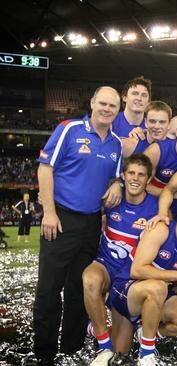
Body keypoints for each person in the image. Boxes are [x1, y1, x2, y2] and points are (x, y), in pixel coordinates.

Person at [34, 86, 124, 365]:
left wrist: (118, 183)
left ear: (118, 110)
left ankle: (71, 347)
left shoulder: (116, 144)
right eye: (103, 103)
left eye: (113, 106)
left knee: (78, 287)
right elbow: (45, 168)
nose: (107, 109)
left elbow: (115, 178)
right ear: (93, 103)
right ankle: (44, 352)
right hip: (61, 217)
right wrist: (49, 211)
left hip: (91, 222)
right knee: (49, 288)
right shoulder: (69, 129)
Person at [107, 197, 177, 365]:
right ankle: (146, 356)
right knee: (117, 355)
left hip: (158, 296)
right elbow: (137, 270)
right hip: (127, 289)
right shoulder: (162, 229)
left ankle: (146, 333)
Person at [82, 154, 159, 365]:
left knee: (122, 352)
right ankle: (103, 346)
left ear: (148, 180)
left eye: (141, 175)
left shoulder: (157, 208)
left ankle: (116, 328)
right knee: (90, 279)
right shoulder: (111, 198)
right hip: (106, 266)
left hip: (129, 279)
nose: (135, 178)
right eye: (131, 173)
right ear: (123, 176)